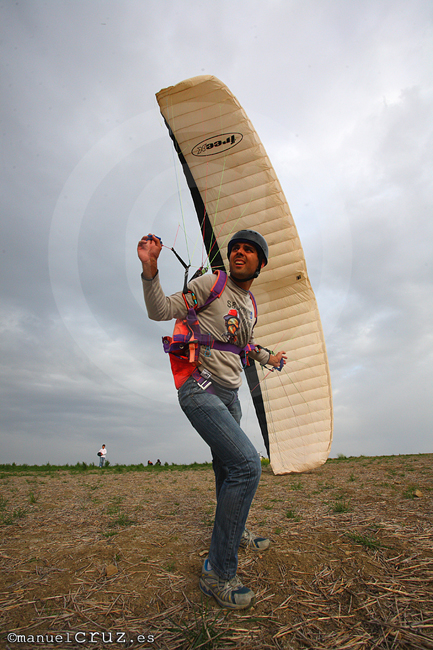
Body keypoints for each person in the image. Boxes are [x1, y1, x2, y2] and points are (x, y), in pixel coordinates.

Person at [138, 229, 286, 610]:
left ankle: (232, 531)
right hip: (199, 388)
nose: (239, 252)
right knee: (247, 464)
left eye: (249, 250)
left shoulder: (250, 303)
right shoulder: (211, 283)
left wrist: (268, 358)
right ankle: (217, 573)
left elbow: (242, 344)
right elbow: (160, 310)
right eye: (235, 248)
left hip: (230, 395)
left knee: (227, 470)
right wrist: (151, 269)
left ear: (260, 263)